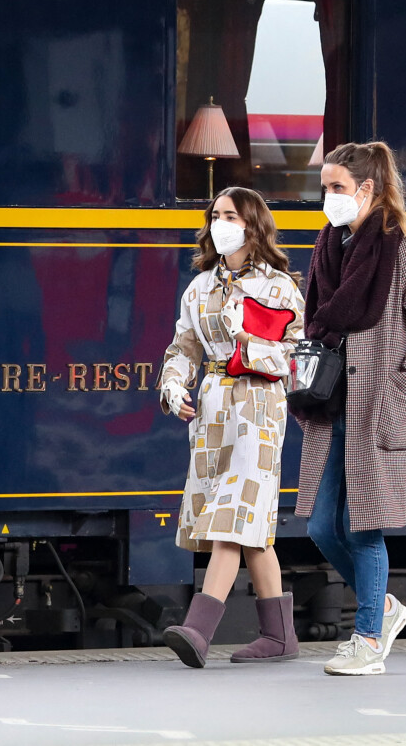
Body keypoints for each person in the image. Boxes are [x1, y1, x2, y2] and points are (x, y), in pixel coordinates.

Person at [294, 141, 406, 676]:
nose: (328, 198)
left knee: (363, 528)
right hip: (331, 405)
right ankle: (383, 607)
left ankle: (367, 639)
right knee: (319, 526)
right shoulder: (328, 246)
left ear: (368, 189)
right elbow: (315, 321)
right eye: (325, 188)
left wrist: (400, 385)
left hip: (376, 410)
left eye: (337, 188)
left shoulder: (402, 252)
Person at [159, 186, 305, 668]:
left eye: (231, 215)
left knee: (232, 514)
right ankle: (280, 636)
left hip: (261, 409)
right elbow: (183, 349)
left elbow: (297, 359)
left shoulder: (280, 288)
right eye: (215, 214)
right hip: (212, 413)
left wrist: (249, 349)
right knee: (253, 527)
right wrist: (174, 388)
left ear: (252, 224)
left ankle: (198, 631)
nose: (220, 222)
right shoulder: (199, 287)